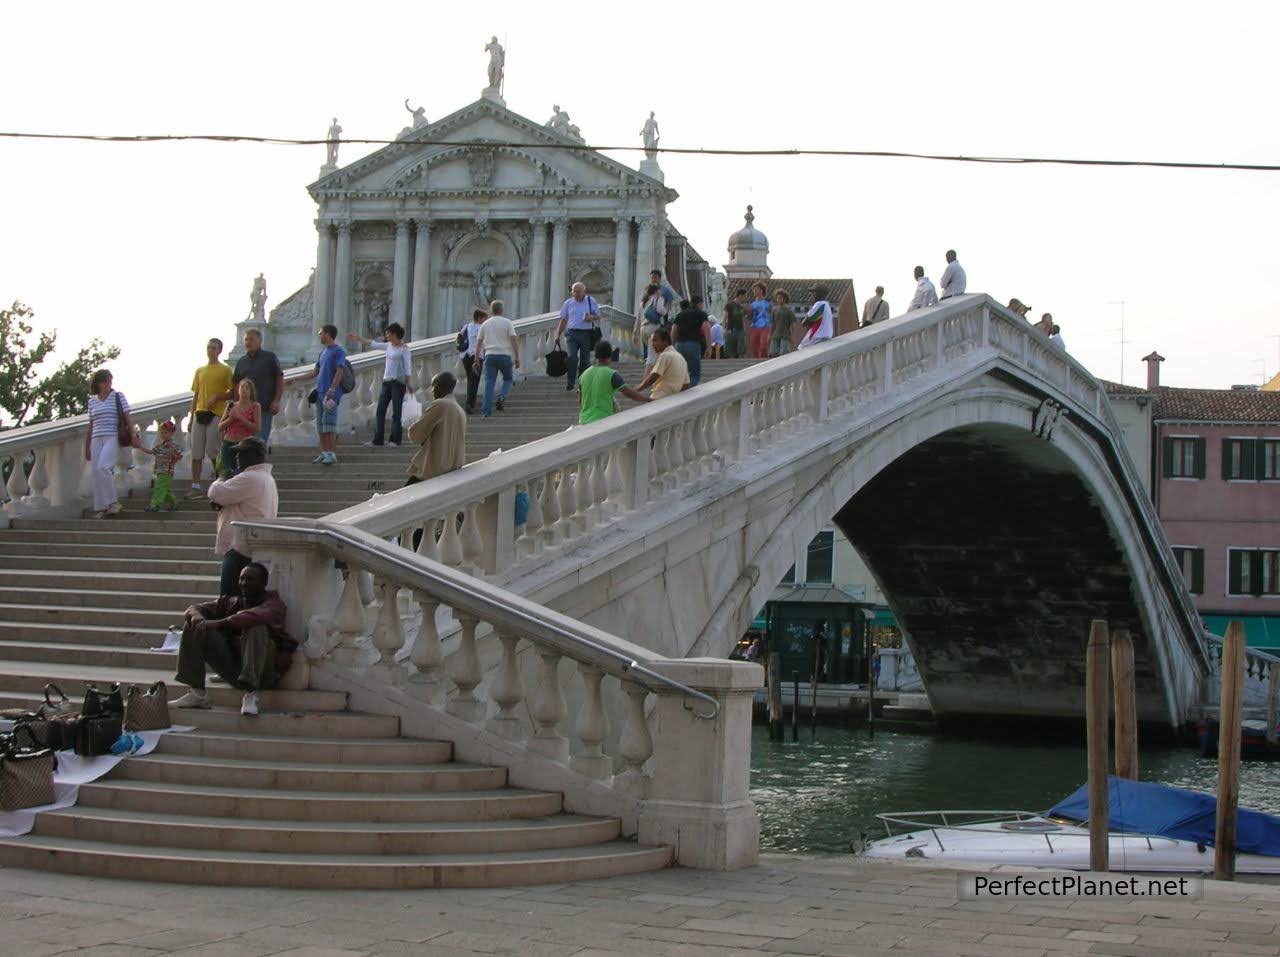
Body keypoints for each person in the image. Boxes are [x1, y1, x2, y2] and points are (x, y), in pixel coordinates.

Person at [171, 562, 295, 718]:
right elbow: (195, 608)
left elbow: (252, 617)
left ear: (263, 583)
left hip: (265, 673)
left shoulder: (274, 604)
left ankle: (251, 695)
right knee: (193, 626)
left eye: (250, 579)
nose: (244, 584)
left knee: (255, 627)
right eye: (241, 579)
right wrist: (196, 616)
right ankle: (198, 693)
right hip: (236, 669)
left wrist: (218, 623)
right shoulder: (231, 602)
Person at [207, 436, 278, 597]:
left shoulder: (250, 477)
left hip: (239, 548)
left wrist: (221, 478)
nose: (238, 458)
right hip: (250, 545)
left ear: (256, 456)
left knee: (229, 598)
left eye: (243, 453)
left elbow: (215, 493)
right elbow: (226, 499)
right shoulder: (265, 478)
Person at [405, 373, 468, 549]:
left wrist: (412, 423)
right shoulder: (459, 409)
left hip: (430, 471)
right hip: (448, 471)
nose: (432, 391)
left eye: (434, 386)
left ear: (441, 387)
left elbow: (415, 434)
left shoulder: (440, 405)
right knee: (426, 521)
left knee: (404, 512)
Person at [347, 322, 413, 447]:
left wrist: (409, 384)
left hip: (398, 383)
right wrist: (358, 338)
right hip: (386, 382)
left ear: (395, 334)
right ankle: (378, 439)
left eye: (388, 333)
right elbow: (373, 344)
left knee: (396, 412)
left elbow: (407, 367)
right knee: (380, 411)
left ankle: (395, 440)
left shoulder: (404, 349)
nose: (387, 336)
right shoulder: (388, 346)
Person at [84, 369, 135, 519]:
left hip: (112, 435)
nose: (109, 384)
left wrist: (133, 435)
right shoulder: (92, 401)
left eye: (110, 381)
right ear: (99, 383)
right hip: (96, 438)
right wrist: (87, 446)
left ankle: (113, 502)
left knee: (104, 467)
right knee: (96, 472)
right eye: (106, 381)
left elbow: (127, 417)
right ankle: (102, 507)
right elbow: (91, 424)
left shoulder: (117, 396)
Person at [187, 338, 234, 498]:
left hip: (216, 413)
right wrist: (191, 417)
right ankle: (195, 486)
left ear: (219, 350)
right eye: (208, 347)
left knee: (212, 450)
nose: (210, 350)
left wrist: (218, 397)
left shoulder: (225, 370)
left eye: (213, 348)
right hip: (200, 412)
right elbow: (196, 394)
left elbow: (232, 392)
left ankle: (221, 481)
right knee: (196, 452)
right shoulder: (200, 370)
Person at [301, 325, 347, 466]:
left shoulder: (338, 351)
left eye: (320, 333)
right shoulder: (323, 353)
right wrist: (295, 379)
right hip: (320, 392)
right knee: (320, 424)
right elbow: (315, 372)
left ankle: (331, 453)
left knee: (329, 424)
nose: (319, 335)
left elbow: (340, 371)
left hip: (330, 394)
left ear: (327, 334)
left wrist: (332, 389)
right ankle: (323, 452)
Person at [578, 340, 650, 425]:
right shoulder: (611, 374)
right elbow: (629, 393)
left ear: (595, 355)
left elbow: (580, 399)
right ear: (610, 355)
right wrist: (647, 400)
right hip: (602, 420)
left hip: (583, 420)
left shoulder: (584, 374)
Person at [231, 328, 284, 444]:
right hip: (244, 409)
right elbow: (236, 385)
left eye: (251, 339)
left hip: (264, 407)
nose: (248, 342)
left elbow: (279, 379)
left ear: (260, 341)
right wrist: (234, 405)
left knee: (259, 443)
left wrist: (276, 401)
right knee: (243, 444)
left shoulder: (270, 358)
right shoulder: (241, 362)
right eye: (246, 340)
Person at [476, 300, 520, 416]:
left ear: (491, 310)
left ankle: (486, 411)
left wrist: (476, 359)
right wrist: (517, 357)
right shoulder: (507, 323)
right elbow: (514, 340)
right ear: (502, 310)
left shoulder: (485, 324)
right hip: (504, 355)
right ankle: (502, 396)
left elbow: (479, 343)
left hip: (490, 355)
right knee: (508, 379)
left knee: (489, 383)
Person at [554, 283, 601, 390]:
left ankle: (582, 383)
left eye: (578, 292)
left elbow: (598, 315)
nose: (576, 294)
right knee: (572, 357)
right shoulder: (568, 303)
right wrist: (557, 335)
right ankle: (570, 381)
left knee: (585, 360)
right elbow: (563, 319)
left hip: (586, 333)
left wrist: (591, 318)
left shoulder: (590, 300)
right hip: (572, 333)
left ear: (584, 291)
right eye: (574, 291)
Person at [217, 380, 262, 476]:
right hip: (228, 443)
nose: (244, 390)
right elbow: (220, 427)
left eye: (247, 387)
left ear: (251, 391)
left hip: (244, 445)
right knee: (228, 474)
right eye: (242, 387)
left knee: (242, 473)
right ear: (238, 390)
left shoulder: (255, 406)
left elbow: (256, 428)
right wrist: (231, 419)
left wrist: (240, 417)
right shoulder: (231, 405)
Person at [637, 327, 690, 399]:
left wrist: (636, 390)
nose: (652, 344)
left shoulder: (665, 355)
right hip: (673, 400)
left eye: (655, 341)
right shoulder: (681, 358)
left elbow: (654, 376)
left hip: (660, 397)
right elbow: (686, 384)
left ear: (665, 341)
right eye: (652, 341)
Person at [144, 420, 182, 512]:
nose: (163, 435)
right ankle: (173, 503)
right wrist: (139, 446)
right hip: (159, 470)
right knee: (166, 490)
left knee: (160, 487)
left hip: (167, 471)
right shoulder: (159, 446)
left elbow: (178, 457)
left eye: (166, 432)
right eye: (162, 433)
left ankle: (155, 504)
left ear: (172, 433)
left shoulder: (174, 446)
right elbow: (150, 451)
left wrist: (172, 451)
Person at [671, 297, 709, 386]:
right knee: (694, 372)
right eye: (702, 304)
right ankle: (692, 390)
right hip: (693, 344)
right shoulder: (701, 314)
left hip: (679, 344)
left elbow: (674, 330)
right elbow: (706, 328)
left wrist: (671, 345)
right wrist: (709, 346)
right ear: (699, 304)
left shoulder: (681, 314)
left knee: (680, 370)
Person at [459, 308, 486, 413]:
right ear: (479, 318)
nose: (485, 321)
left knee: (470, 380)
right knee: (474, 381)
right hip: (477, 357)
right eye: (484, 318)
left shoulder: (466, 326)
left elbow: (459, 338)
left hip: (465, 355)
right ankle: (470, 405)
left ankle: (469, 403)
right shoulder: (482, 328)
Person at [635, 282, 665, 359]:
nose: (661, 291)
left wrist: (635, 332)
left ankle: (645, 369)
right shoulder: (658, 298)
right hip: (653, 327)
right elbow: (660, 310)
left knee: (646, 353)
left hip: (643, 329)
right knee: (655, 354)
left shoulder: (642, 303)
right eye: (659, 290)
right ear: (656, 291)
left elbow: (638, 319)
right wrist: (665, 312)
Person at [748, 282, 772, 359]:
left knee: (763, 345)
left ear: (761, 291)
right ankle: (757, 360)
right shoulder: (752, 304)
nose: (754, 291)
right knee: (755, 346)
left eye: (756, 289)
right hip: (755, 326)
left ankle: (764, 359)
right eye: (754, 290)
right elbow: (749, 316)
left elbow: (772, 314)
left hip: (765, 326)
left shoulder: (767, 303)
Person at [722, 288, 748, 359]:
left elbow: (744, 319)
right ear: (740, 296)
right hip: (731, 330)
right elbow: (724, 318)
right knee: (731, 351)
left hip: (740, 330)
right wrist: (724, 329)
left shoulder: (742, 307)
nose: (745, 298)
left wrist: (745, 330)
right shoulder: (729, 305)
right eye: (745, 296)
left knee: (741, 350)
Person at [769, 290, 794, 356]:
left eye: (780, 298)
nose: (778, 300)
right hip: (776, 334)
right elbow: (773, 323)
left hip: (785, 335)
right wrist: (770, 334)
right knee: (772, 352)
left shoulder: (789, 311)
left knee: (784, 353)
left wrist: (792, 336)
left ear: (784, 299)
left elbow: (792, 325)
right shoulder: (774, 310)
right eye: (777, 298)